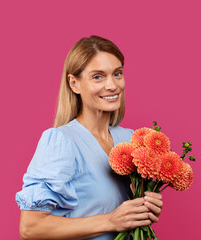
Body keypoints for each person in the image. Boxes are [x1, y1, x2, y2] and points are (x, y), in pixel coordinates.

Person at [15, 35, 163, 240]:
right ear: (74, 84)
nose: (112, 85)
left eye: (117, 74)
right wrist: (110, 220)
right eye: (98, 77)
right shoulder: (62, 141)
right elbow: (30, 227)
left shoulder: (130, 139)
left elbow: (129, 218)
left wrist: (145, 207)